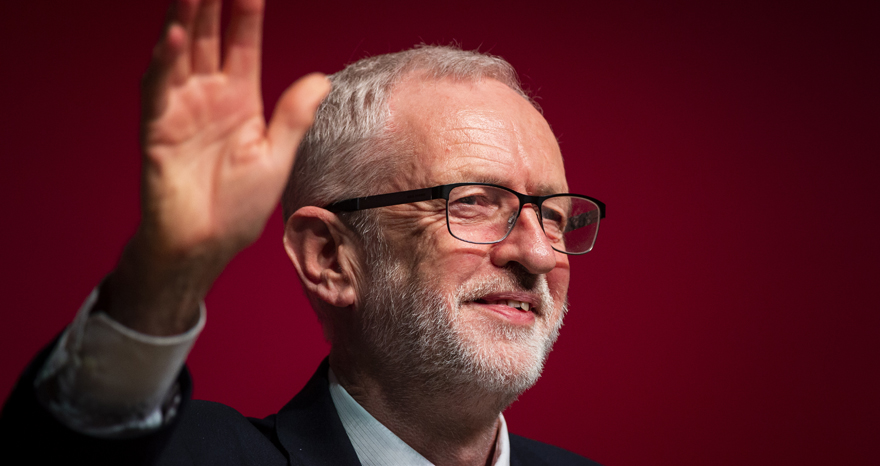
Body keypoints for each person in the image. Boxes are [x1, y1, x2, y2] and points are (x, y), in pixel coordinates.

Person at [0, 0, 605, 464]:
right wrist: (166, 278)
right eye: (473, 202)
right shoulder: (189, 455)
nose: (536, 252)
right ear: (331, 256)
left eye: (553, 215)